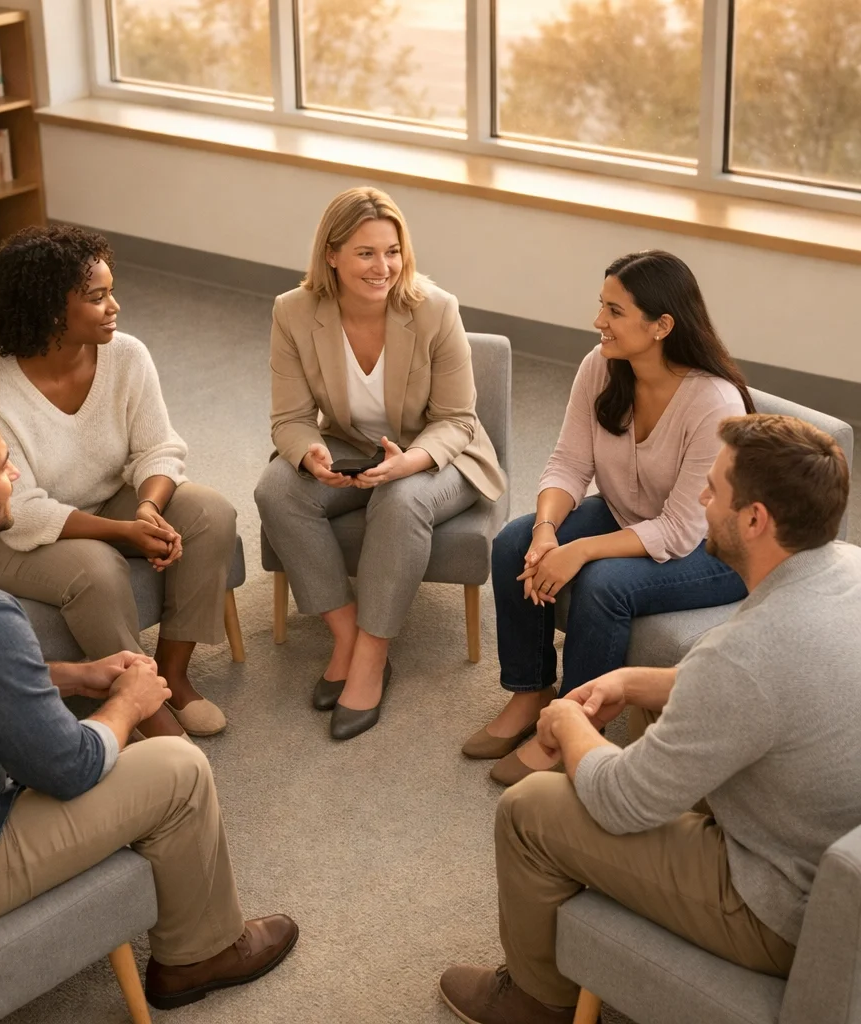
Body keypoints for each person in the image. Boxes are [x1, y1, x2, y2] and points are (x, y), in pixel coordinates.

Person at [0, 408, 298, 1010]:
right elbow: (69, 768)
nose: (14, 475)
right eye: (3, 466)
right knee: (178, 769)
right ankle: (199, 956)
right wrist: (128, 705)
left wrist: (74, 674)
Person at [439, 413, 860, 1024]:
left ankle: (535, 1002)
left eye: (713, 489)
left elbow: (621, 801)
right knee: (650, 729)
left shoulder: (744, 653)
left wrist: (568, 725)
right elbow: (769, 689)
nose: (701, 499)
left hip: (782, 911)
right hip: (827, 854)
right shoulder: (845, 569)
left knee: (528, 809)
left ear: (754, 519)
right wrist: (635, 681)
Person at [466, 250, 752, 786]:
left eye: (615, 311)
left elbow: (681, 530)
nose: (599, 320)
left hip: (714, 548)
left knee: (603, 583)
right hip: (630, 513)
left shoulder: (713, 402)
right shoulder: (600, 366)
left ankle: (574, 726)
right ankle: (531, 693)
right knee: (513, 543)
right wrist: (546, 532)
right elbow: (569, 463)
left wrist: (579, 550)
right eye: (602, 305)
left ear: (662, 325)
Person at [0, 224, 236, 739]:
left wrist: (147, 509)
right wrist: (122, 532)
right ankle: (144, 708)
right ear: (50, 310)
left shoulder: (126, 355)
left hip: (107, 500)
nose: (114, 306)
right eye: (97, 297)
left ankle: (172, 677)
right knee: (97, 567)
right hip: (13, 537)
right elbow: (21, 510)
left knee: (210, 513)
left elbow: (159, 448)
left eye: (111, 291)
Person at [254, 186, 506, 740]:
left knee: (400, 497)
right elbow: (290, 418)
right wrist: (309, 453)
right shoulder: (293, 311)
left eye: (392, 251)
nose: (383, 267)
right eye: (365, 253)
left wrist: (411, 461)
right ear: (332, 255)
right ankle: (345, 635)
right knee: (276, 489)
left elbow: (457, 419)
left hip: (439, 453)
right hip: (349, 445)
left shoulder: (435, 309)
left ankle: (371, 654)